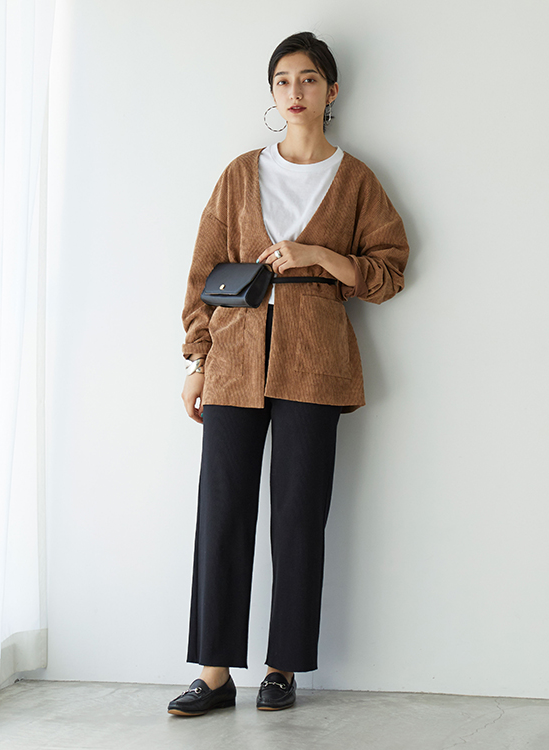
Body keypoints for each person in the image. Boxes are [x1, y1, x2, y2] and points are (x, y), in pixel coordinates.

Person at [168, 31, 409, 716]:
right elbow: (203, 274)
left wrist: (318, 256)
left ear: (331, 91)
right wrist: (197, 361)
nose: (294, 92)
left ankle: (282, 668)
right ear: (271, 93)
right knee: (222, 513)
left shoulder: (356, 180)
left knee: (299, 518)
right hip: (233, 363)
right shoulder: (240, 174)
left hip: (315, 363)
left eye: (308, 80)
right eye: (282, 81)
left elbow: (389, 272)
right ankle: (214, 673)